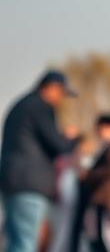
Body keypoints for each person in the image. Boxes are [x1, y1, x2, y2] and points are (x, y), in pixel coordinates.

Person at [0, 71, 81, 252]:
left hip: (14, 182)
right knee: (25, 242)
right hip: (29, 183)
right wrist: (72, 138)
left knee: (16, 239)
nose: (61, 100)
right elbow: (58, 146)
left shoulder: (22, 105)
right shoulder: (40, 107)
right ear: (51, 88)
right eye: (61, 94)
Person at [71, 114, 110, 252]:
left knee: (108, 239)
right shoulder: (106, 147)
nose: (99, 132)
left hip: (108, 199)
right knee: (98, 237)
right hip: (102, 200)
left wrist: (89, 175)